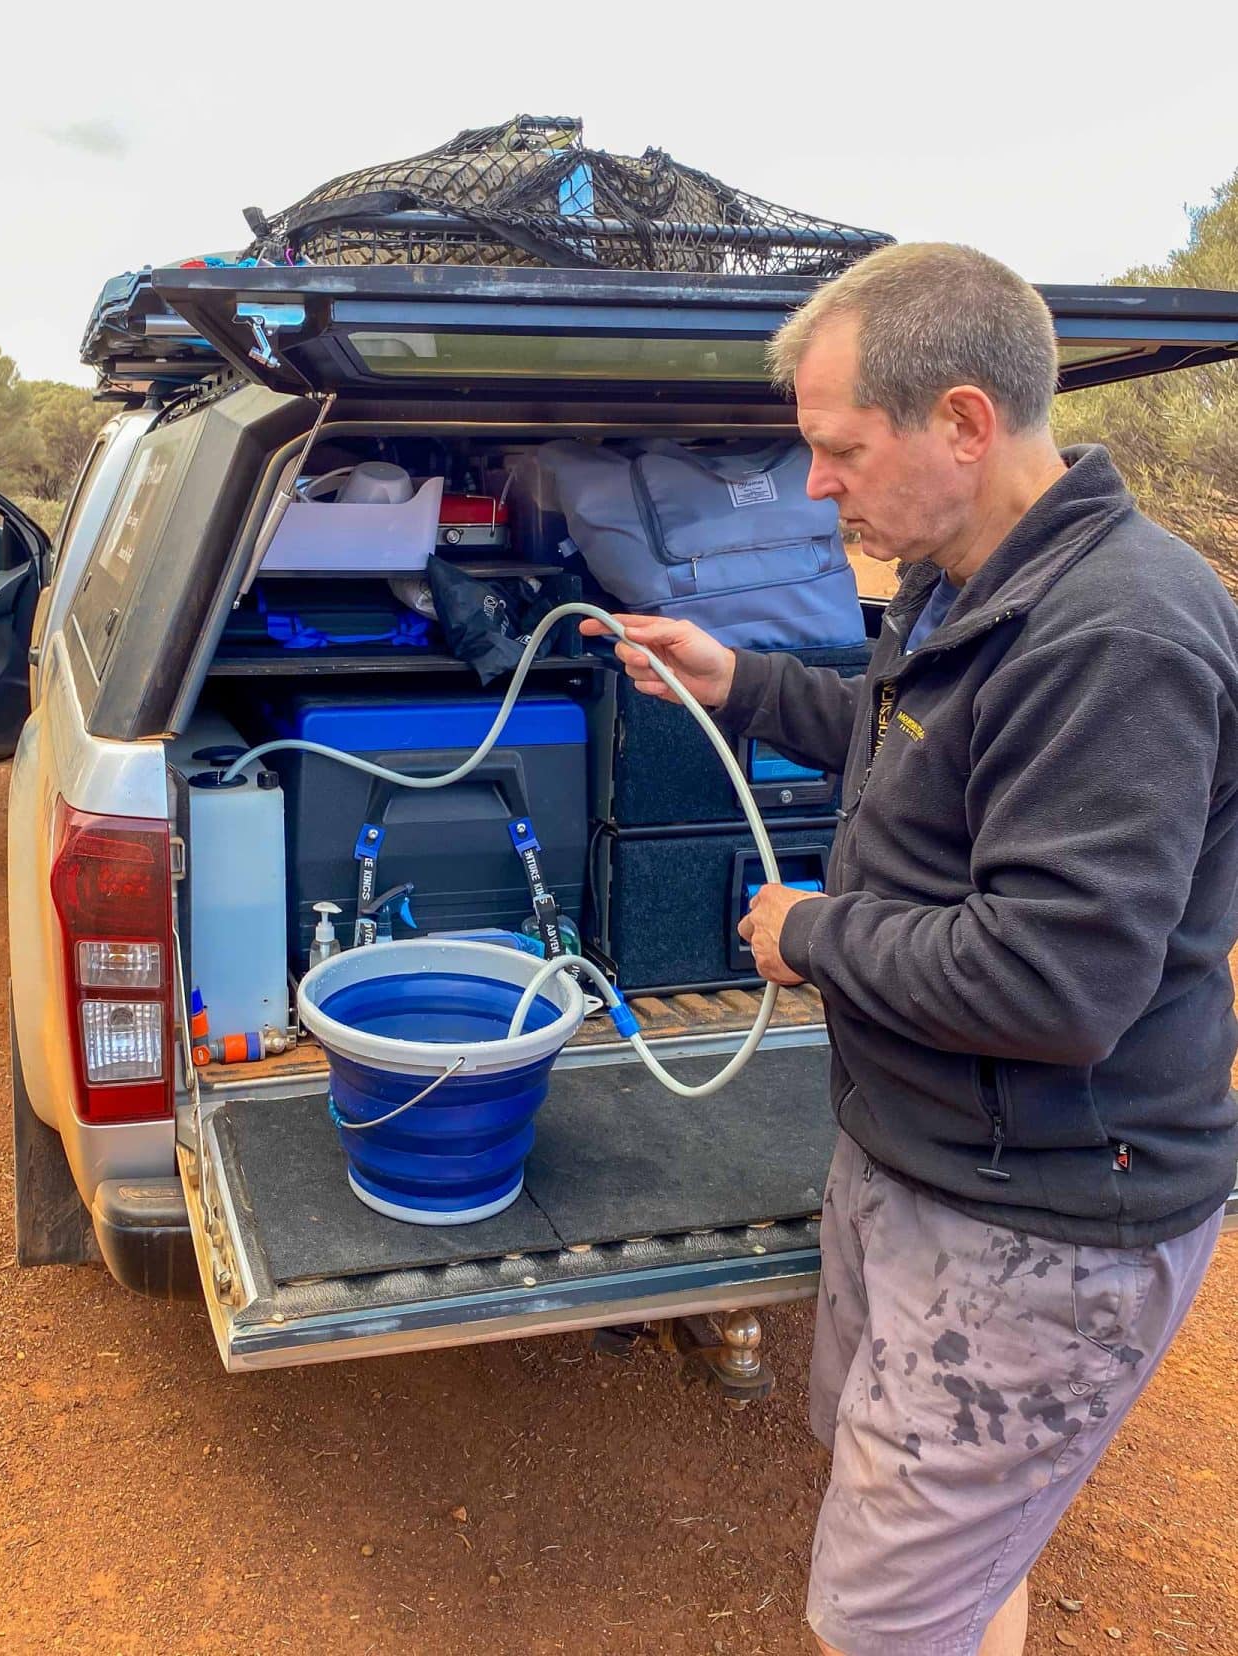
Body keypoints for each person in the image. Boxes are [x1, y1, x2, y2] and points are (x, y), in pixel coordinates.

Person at [581, 242, 1238, 1656]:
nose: (816, 485)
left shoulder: (1119, 636)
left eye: (837, 450)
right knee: (949, 1563)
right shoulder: (962, 579)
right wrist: (741, 679)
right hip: (923, 1158)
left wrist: (809, 933)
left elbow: (1053, 985)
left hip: (1041, 1229)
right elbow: (919, 752)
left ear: (960, 420)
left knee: (883, 1622)